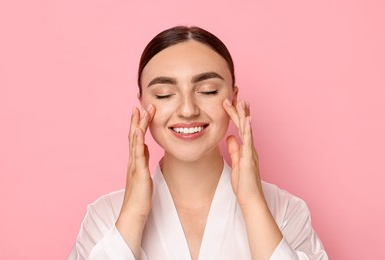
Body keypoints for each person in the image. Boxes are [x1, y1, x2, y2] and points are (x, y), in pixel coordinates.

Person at [68, 26, 328, 260]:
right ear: (142, 103)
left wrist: (252, 202)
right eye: (164, 94)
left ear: (234, 98)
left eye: (208, 91)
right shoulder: (106, 216)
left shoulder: (284, 210)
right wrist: (134, 213)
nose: (188, 109)